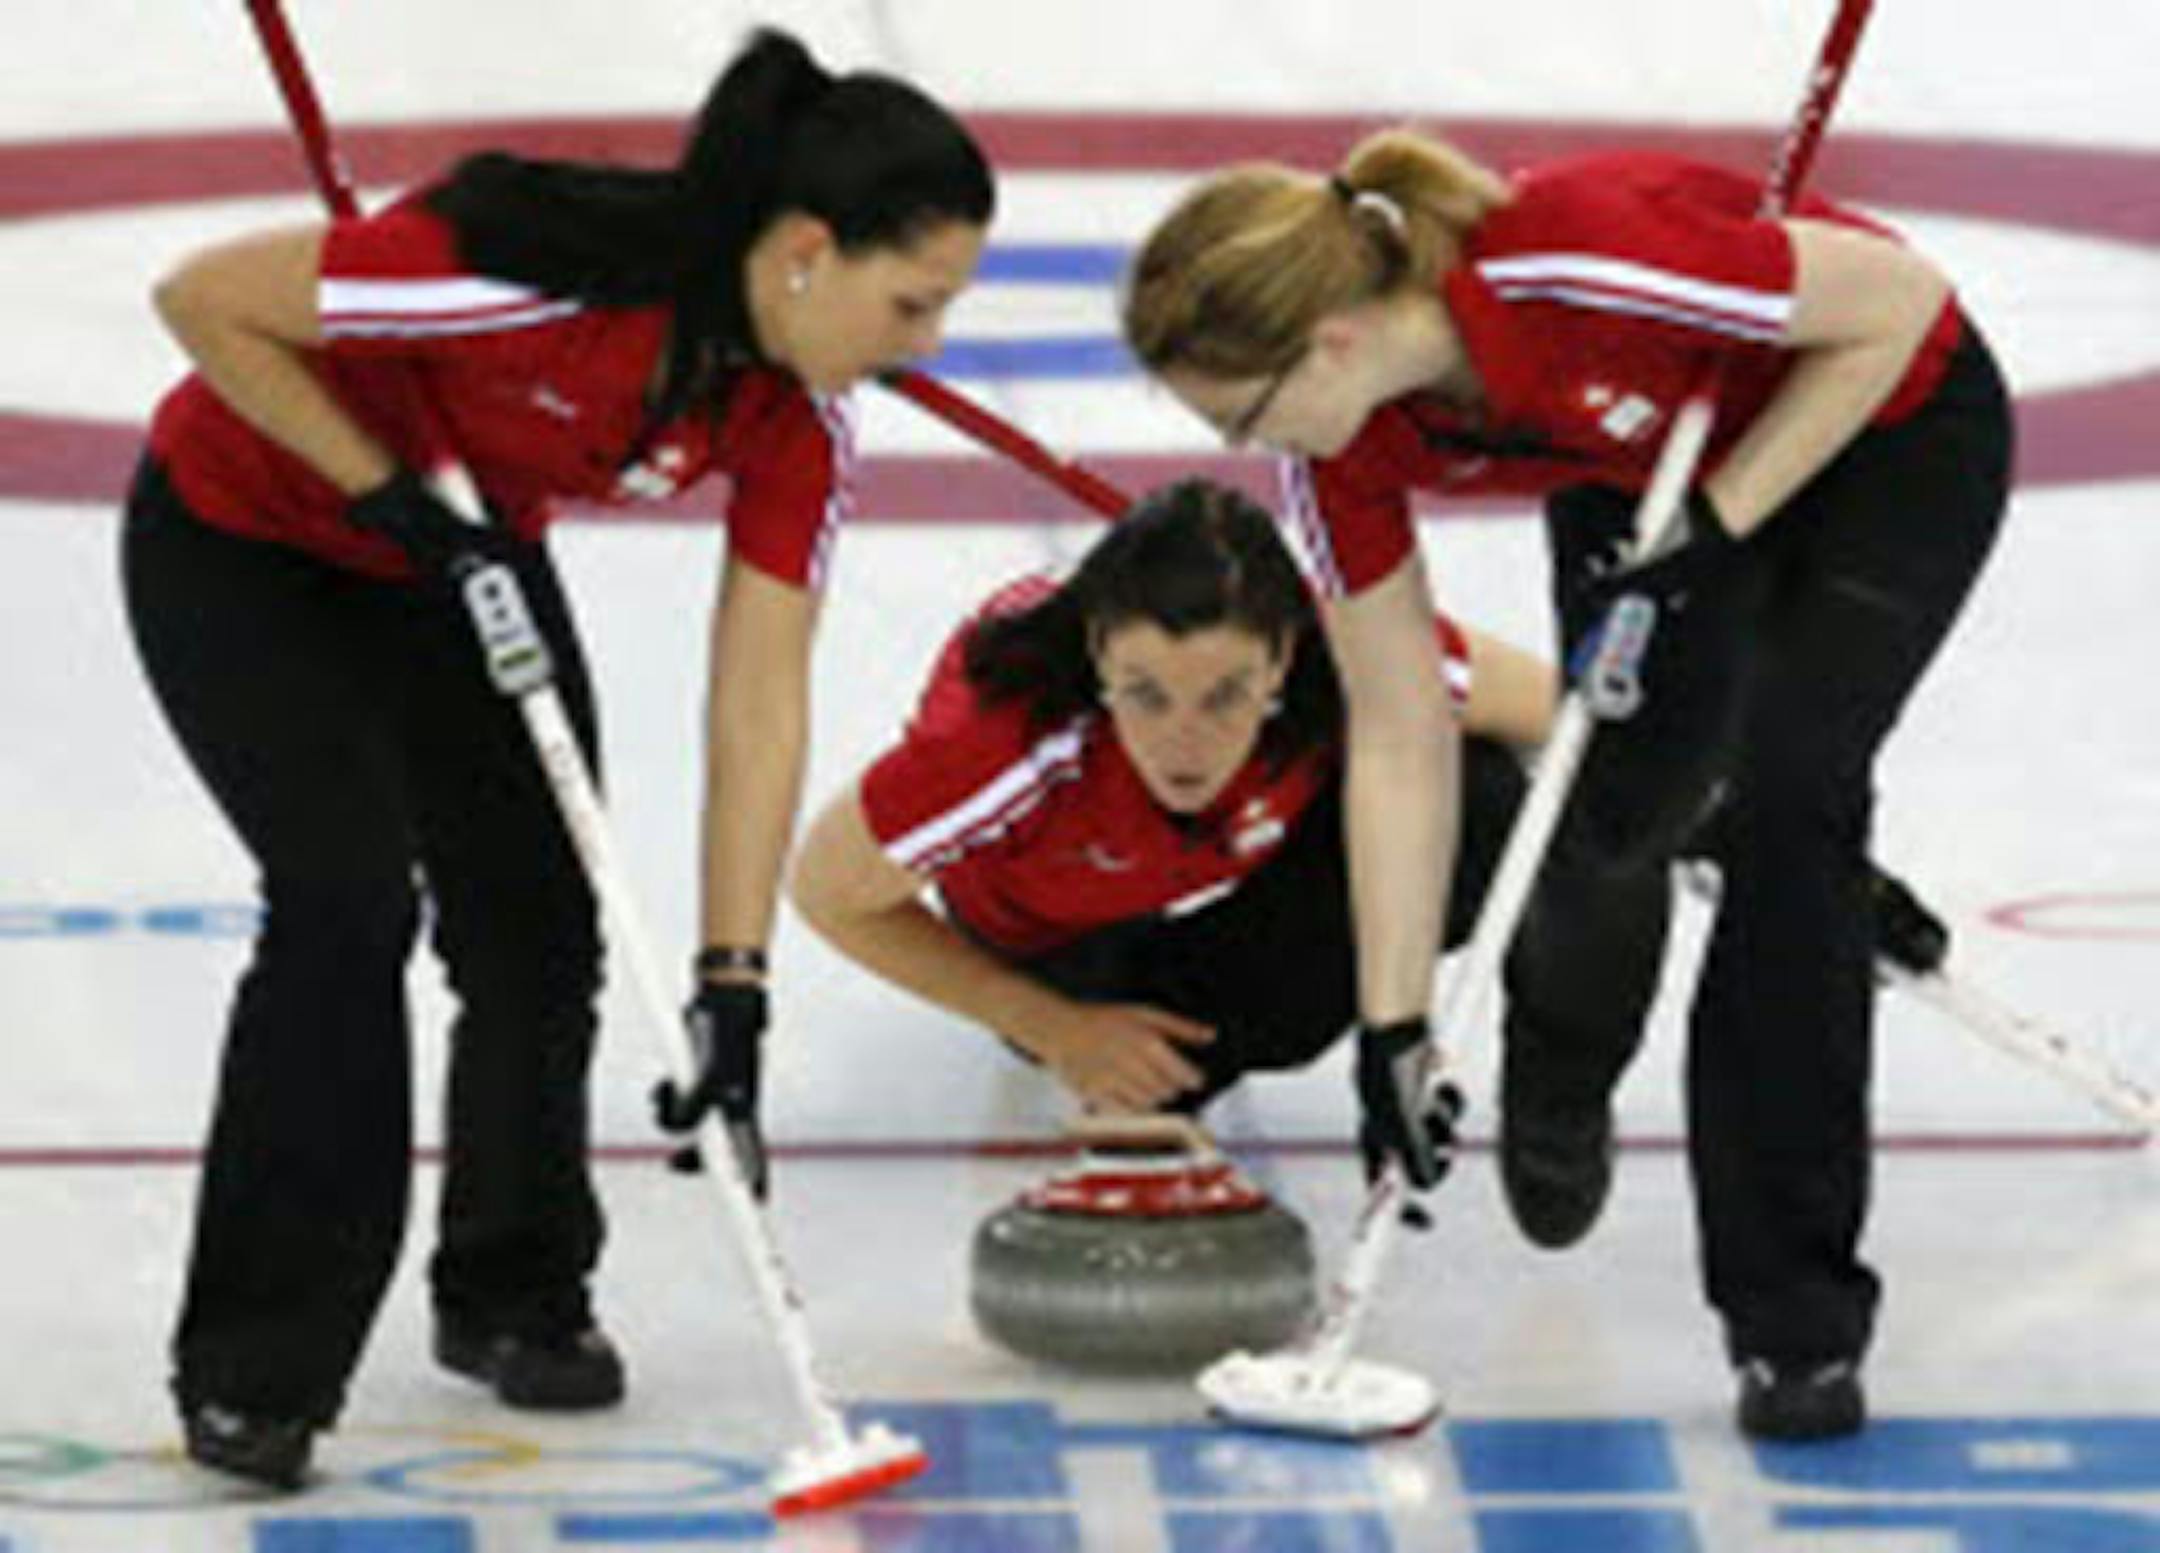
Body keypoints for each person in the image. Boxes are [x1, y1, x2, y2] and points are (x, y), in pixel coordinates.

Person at [123, 27, 992, 1489]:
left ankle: (512, 1290)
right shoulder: (508, 271)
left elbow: (757, 701)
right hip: (245, 546)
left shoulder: (797, 422)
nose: (927, 345)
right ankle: (254, 1367)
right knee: (346, 904)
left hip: (456, 569)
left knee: (536, 923)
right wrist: (384, 493)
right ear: (801, 253)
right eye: (911, 302)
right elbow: (201, 301)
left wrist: (735, 984)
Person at [1121, 132, 2012, 1440]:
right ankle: (1564, 1064)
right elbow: (1399, 731)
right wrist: (1393, 1027)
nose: (1242, 446)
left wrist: (1715, 527)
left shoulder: (1584, 262)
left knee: (1787, 809)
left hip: (1881, 433)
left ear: (1332, 344)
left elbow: (1899, 311)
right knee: (1616, 815)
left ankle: (1794, 1323)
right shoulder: (1342, 450)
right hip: (1637, 472)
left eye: (1236, 416)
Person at [788, 477, 1577, 1144]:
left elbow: (1572, 721)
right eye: (1147, 695)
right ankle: (1134, 1060)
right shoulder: (1009, 734)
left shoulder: (1350, 653)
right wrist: (1051, 1025)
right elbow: (827, 890)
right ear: (1099, 654)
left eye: (1226, 694)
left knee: (1482, 797)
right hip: (1061, 948)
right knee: (1169, 1050)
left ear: (1285, 656)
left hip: (1233, 868)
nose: (1185, 743)